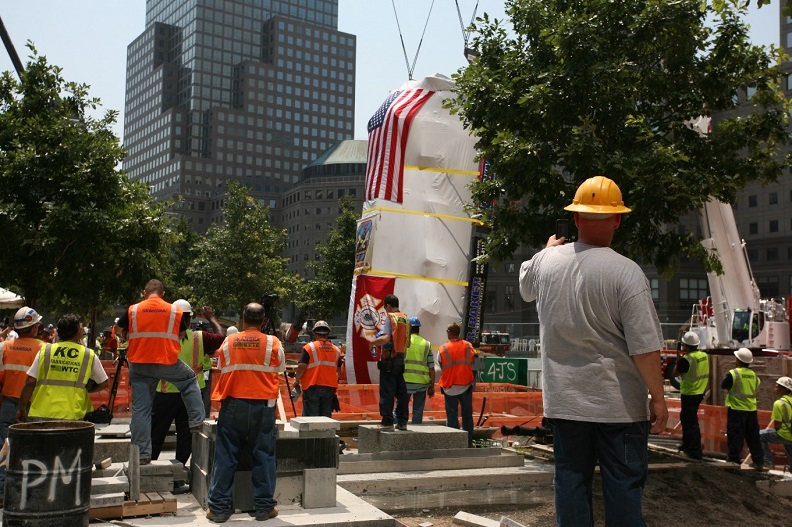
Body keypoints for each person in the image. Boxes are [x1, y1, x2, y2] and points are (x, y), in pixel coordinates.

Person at [519, 176, 668, 526]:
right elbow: (644, 348)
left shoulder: (546, 262)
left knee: (570, 483)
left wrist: (547, 250)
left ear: (575, 219)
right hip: (620, 409)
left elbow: (526, 288)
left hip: (567, 405)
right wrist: (657, 398)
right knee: (624, 487)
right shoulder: (627, 273)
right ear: (617, 219)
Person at [207, 302, 285, 523]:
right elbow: (279, 368)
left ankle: (220, 509)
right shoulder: (273, 342)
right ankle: (264, 507)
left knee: (226, 455)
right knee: (264, 455)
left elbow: (221, 366)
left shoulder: (229, 342)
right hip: (263, 407)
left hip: (233, 405)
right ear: (263, 321)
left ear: (243, 318)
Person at [115, 279, 204, 465]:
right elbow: (181, 334)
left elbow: (118, 329)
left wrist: (127, 336)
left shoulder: (134, 309)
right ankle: (196, 421)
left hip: (139, 364)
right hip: (166, 361)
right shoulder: (174, 310)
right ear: (163, 294)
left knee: (142, 410)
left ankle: (142, 454)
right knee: (188, 380)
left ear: (144, 292)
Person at [150, 300, 224, 466]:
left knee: (155, 434)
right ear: (190, 319)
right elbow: (221, 338)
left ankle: (149, 471)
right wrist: (211, 318)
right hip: (191, 395)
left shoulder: (162, 337)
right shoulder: (199, 338)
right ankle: (179, 471)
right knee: (187, 436)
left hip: (165, 392)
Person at [16, 314, 109, 422]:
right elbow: (104, 383)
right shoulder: (88, 355)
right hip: (73, 414)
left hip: (42, 413)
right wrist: (86, 390)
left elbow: (30, 382)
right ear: (78, 329)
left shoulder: (46, 351)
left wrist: (21, 408)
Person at [0, 307, 44, 505]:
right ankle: (30, 493)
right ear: (34, 328)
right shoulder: (43, 348)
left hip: (9, 404)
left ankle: (2, 493)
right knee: (33, 451)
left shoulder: (5, 347)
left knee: (5, 449)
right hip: (33, 406)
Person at [368, 294, 410, 430]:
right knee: (401, 391)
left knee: (387, 391)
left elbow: (386, 338)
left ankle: (387, 422)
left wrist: (373, 342)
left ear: (388, 306)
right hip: (400, 360)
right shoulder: (405, 318)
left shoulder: (391, 318)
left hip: (389, 360)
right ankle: (402, 421)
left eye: (385, 307)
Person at [722, 347, 763, 469]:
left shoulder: (734, 373)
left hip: (737, 409)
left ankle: (734, 460)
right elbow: (756, 386)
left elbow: (724, 385)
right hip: (751, 410)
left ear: (738, 360)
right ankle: (758, 460)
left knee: (735, 435)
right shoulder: (754, 375)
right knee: (753, 437)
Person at [673, 331, 709, 460]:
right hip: (699, 392)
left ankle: (694, 450)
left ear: (686, 345)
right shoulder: (704, 355)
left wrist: (678, 360)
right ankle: (688, 445)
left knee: (690, 422)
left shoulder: (687, 359)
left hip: (689, 393)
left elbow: (675, 373)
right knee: (688, 419)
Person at [437, 322, 475, 446]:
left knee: (452, 415)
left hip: (450, 386)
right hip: (466, 385)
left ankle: (455, 443)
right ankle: (467, 442)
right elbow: (475, 364)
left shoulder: (443, 348)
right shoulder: (469, 346)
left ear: (450, 332)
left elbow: (441, 364)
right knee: (467, 415)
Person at [293, 320, 340, 417]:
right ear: (328, 334)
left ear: (314, 333)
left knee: (311, 418)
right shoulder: (336, 350)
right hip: (329, 388)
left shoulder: (310, 347)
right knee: (326, 418)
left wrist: (297, 380)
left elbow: (302, 366)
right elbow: (338, 369)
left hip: (312, 386)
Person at [403, 317, 435, 424]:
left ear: (409, 327)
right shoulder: (426, 344)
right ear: (419, 329)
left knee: (401, 407)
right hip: (421, 383)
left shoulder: (404, 342)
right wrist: (432, 386)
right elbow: (431, 367)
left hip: (405, 381)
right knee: (418, 410)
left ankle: (400, 429)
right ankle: (416, 433)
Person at [760, 376, 792, 471]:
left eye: (777, 386)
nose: (775, 388)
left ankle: (768, 463)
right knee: (789, 444)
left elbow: (777, 426)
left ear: (783, 389)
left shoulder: (779, 403)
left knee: (759, 435)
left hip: (785, 434)